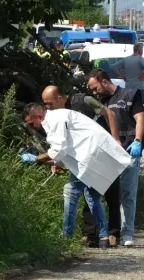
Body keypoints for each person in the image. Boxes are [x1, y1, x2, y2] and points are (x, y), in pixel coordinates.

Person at [20, 103, 132, 250]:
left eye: (32, 122)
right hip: (96, 154)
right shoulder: (61, 115)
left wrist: (36, 159)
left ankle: (66, 237)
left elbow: (59, 149)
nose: (33, 126)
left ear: (39, 116)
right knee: (92, 195)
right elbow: (66, 150)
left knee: (70, 191)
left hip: (90, 156)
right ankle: (103, 237)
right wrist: (52, 161)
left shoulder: (54, 120)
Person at [41, 85, 122, 247]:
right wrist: (59, 162)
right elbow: (69, 144)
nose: (47, 108)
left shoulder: (83, 100)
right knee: (91, 196)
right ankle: (96, 236)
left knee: (105, 195)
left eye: (49, 103)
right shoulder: (58, 114)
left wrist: (115, 141)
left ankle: (107, 233)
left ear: (59, 98)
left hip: (98, 151)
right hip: (84, 156)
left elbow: (110, 113)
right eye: (44, 104)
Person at [87, 69, 144, 247]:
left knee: (128, 194)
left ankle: (127, 233)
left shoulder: (129, 95)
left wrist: (137, 141)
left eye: (95, 87)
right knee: (103, 194)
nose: (94, 92)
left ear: (104, 81)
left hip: (128, 152)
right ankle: (102, 232)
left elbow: (140, 118)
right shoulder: (98, 102)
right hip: (106, 155)